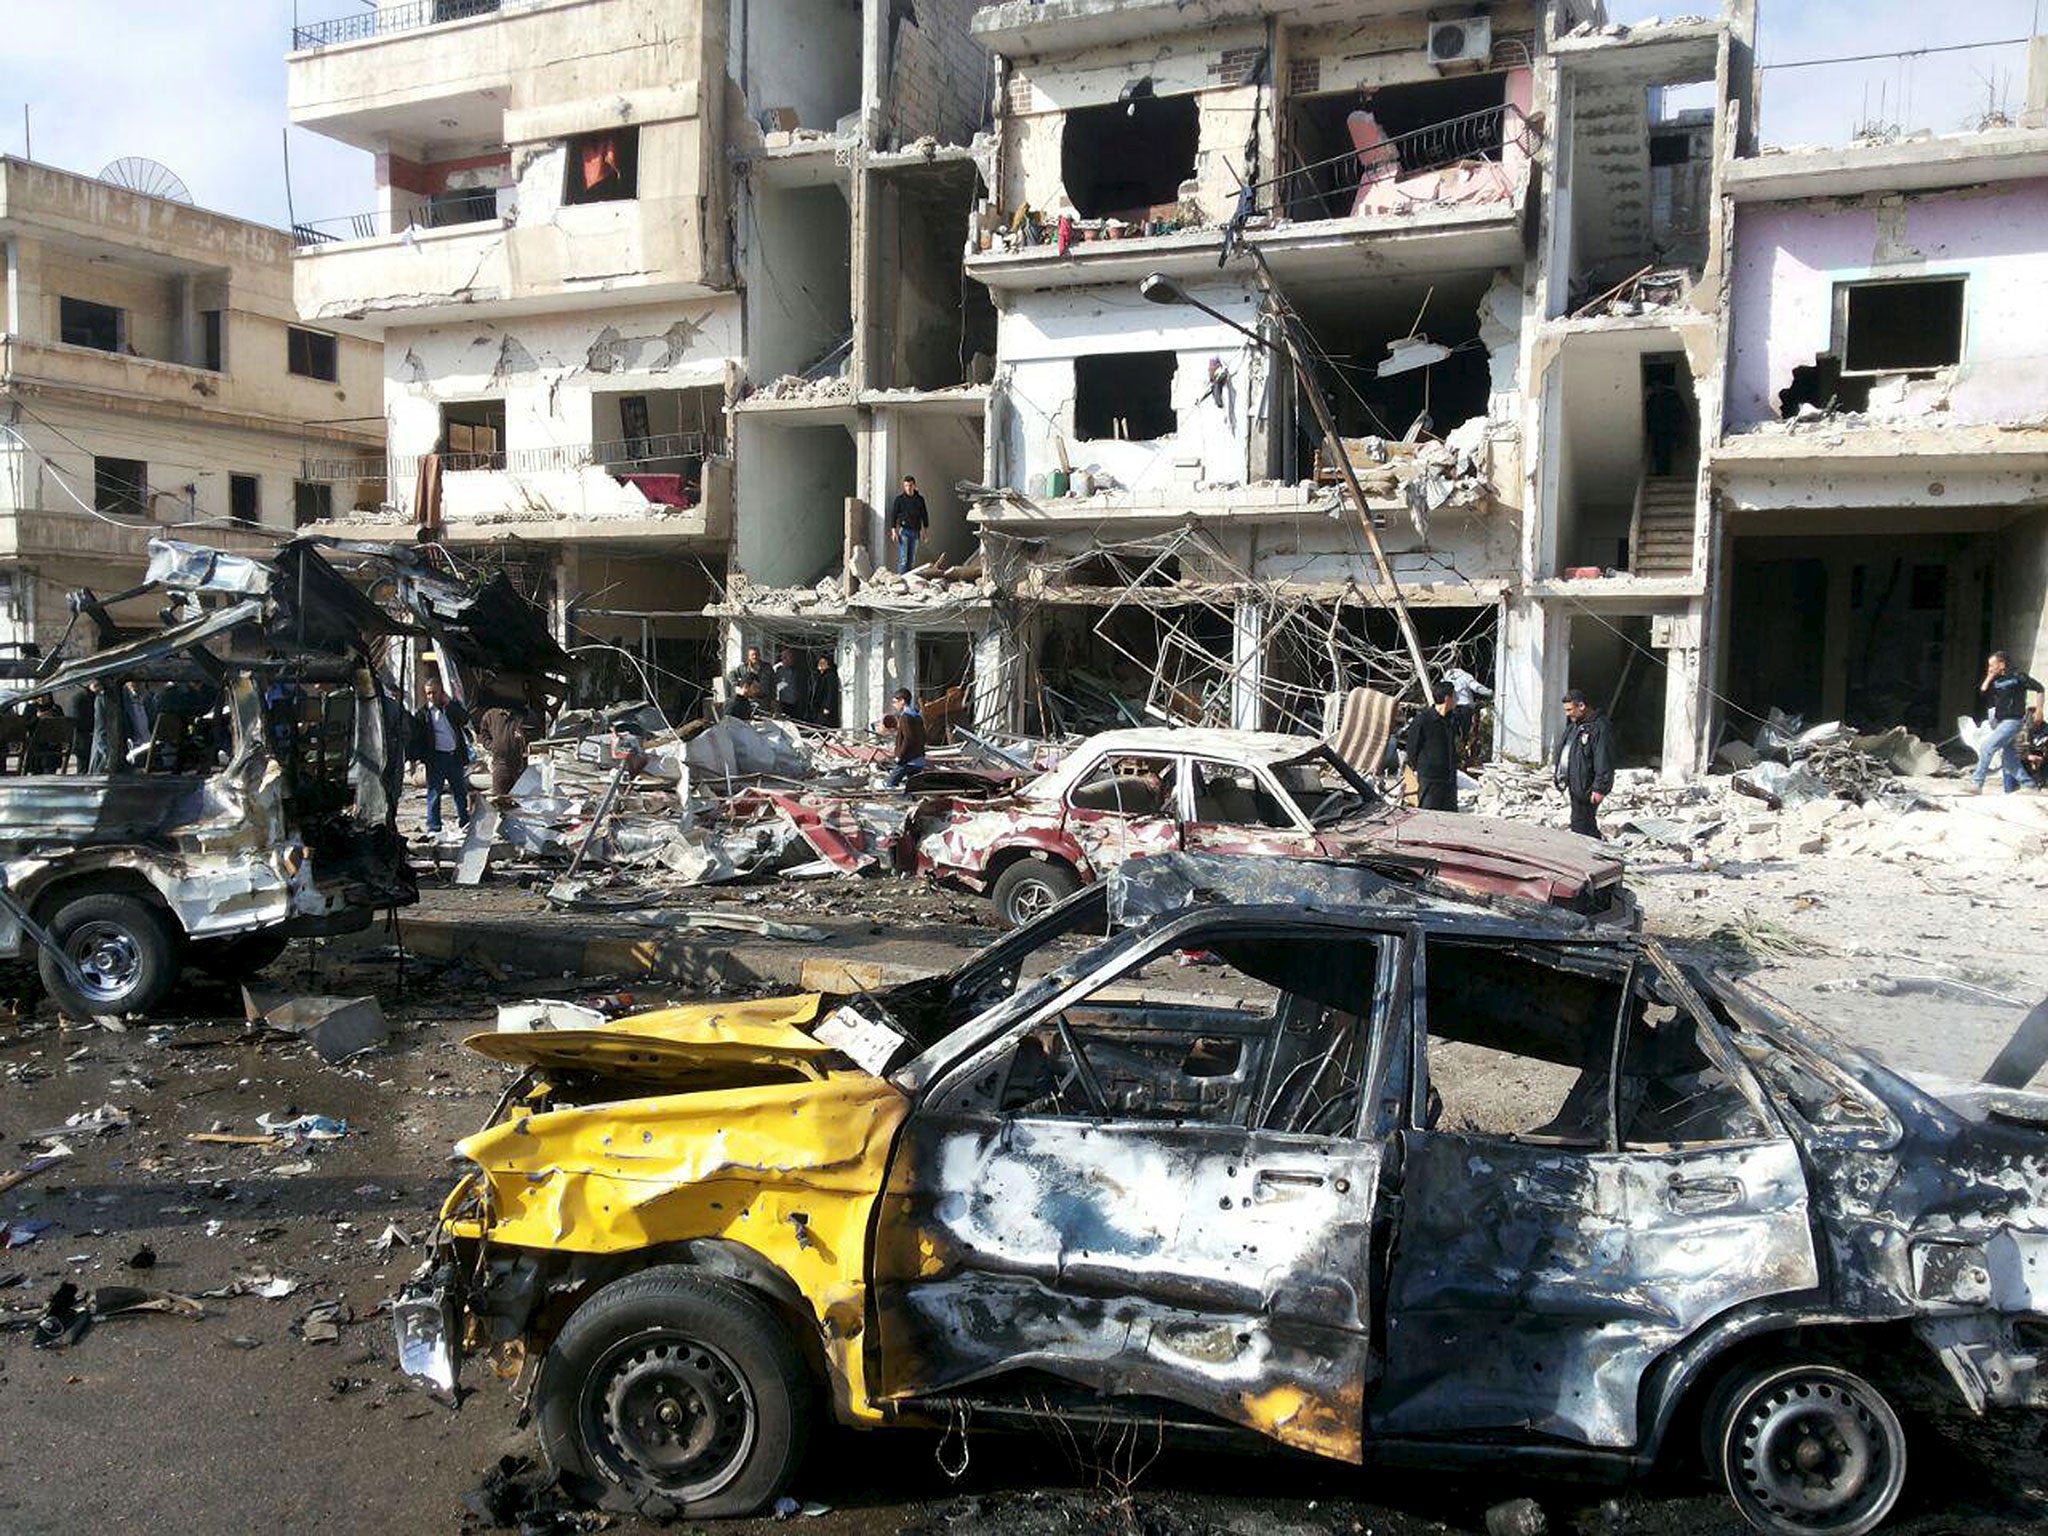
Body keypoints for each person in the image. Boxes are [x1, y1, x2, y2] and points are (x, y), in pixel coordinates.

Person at [1975, 651, 2044, 795]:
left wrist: (2039, 710)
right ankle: (2029, 785)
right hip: (2000, 722)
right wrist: (1989, 676)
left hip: (2013, 721)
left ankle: (1977, 783)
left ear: (2002, 664)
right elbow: (1982, 692)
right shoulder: (1996, 681)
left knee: (1987, 747)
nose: (1991, 667)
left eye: (1992, 665)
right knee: (2009, 758)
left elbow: (2040, 689)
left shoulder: (2018, 677)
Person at [413, 677, 472, 835]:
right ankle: (434, 826)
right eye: (428, 693)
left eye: (434, 693)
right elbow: (418, 738)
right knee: (434, 793)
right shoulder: (423, 714)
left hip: (454, 757)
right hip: (436, 758)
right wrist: (422, 758)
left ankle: (464, 821)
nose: (431, 696)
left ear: (441, 692)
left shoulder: (450, 708)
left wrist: (450, 704)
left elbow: (465, 719)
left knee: (460, 792)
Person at [1554, 687, 1615, 839]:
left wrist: (1600, 788)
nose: (1568, 714)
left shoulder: (1599, 727)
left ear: (1581, 706)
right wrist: (1559, 776)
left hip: (1588, 787)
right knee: (1579, 823)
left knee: (1583, 825)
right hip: (1575, 786)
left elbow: (1603, 759)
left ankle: (1593, 857)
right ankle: (1589, 855)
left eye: (1570, 710)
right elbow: (1566, 752)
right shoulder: (1575, 727)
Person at [1401, 683, 1461, 812]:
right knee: (1429, 814)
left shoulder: (1452, 720)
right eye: (1454, 696)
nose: (1456, 699)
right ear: (1447, 698)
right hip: (1430, 779)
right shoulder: (1423, 720)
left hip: (1449, 778)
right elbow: (1412, 748)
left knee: (1451, 817)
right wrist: (1419, 768)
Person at [475, 705, 530, 810]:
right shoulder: (491, 714)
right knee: (500, 797)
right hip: (501, 763)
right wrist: (493, 746)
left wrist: (524, 736)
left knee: (521, 799)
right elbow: (483, 734)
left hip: (520, 763)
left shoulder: (522, 714)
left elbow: (536, 731)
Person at [881, 687, 928, 789]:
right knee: (912, 788)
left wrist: (900, 756)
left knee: (889, 784)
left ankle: (904, 800)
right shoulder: (917, 716)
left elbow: (908, 739)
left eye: (895, 702)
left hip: (908, 760)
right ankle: (912, 802)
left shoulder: (905, 717)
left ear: (902, 701)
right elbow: (923, 736)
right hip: (919, 759)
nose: (894, 705)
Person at [887, 475, 929, 573]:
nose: (908, 488)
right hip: (904, 531)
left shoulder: (919, 499)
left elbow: (924, 515)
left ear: (914, 486)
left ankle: (909, 580)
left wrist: (925, 531)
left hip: (916, 531)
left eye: (910, 485)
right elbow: (894, 515)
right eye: (906, 486)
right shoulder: (900, 500)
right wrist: (894, 531)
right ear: (904, 486)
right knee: (904, 559)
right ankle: (901, 579)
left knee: (912, 559)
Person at [772, 646, 805, 716]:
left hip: (798, 704)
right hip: (784, 703)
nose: (785, 659)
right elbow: (772, 686)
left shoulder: (799, 671)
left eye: (788, 657)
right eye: (783, 657)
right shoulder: (778, 670)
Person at [810, 652, 841, 727]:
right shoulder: (821, 676)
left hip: (825, 706)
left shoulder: (830, 676)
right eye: (820, 663)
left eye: (823, 663)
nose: (820, 665)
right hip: (820, 705)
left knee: (826, 723)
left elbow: (831, 692)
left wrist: (827, 707)